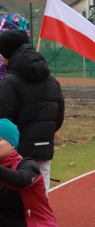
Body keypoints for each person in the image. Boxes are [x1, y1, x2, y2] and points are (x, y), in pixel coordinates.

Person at [0, 29, 64, 192]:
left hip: (17, 154)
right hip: (44, 148)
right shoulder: (52, 80)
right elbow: (58, 116)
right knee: (41, 198)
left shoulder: (8, 83)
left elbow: (3, 120)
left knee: (17, 201)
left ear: (7, 52)